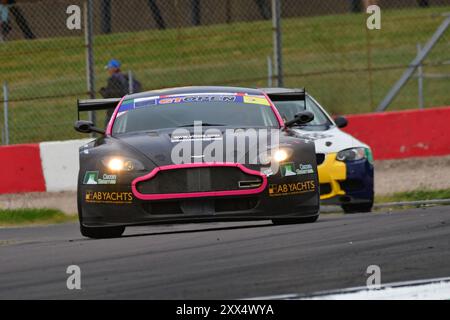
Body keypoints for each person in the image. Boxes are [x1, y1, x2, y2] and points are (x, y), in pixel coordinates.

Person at [100, 59, 142, 126]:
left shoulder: (113, 79)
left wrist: (102, 91)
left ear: (114, 68)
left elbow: (110, 95)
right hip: (128, 105)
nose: (108, 71)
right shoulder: (126, 77)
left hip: (115, 108)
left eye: (109, 68)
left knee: (110, 126)